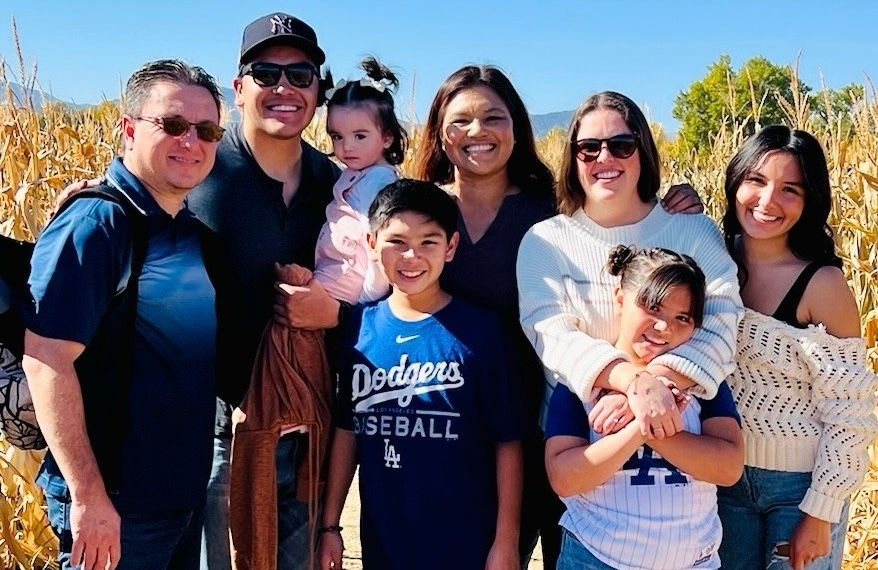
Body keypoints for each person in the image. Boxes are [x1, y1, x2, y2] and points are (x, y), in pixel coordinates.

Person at [412, 68, 703, 569]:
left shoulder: (551, 213)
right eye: (460, 120)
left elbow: (625, 222)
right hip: (451, 428)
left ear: (517, 128)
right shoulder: (423, 212)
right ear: (439, 131)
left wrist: (676, 208)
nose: (477, 131)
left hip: (553, 423)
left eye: (493, 117)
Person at [23, 59, 226, 570]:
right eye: (173, 125)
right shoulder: (99, 222)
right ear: (129, 128)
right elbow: (46, 360)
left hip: (178, 499)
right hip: (115, 505)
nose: (191, 142)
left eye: (206, 130)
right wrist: (88, 497)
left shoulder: (186, 230)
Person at [184, 13, 341, 570]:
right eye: (266, 72)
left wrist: (334, 311)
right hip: (217, 426)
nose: (284, 88)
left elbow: (389, 280)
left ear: (318, 92)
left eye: (300, 75)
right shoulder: (197, 166)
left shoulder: (336, 182)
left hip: (303, 420)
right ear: (239, 86)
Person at [318, 179, 524, 570]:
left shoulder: (483, 331)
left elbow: (508, 443)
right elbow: (347, 431)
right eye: (397, 241)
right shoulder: (361, 327)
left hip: (467, 543)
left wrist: (506, 541)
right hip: (384, 540)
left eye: (428, 241)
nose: (412, 256)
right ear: (372, 243)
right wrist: (330, 526)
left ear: (451, 247)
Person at [517, 90, 743, 447]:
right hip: (577, 448)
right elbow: (554, 338)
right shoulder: (545, 241)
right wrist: (635, 384)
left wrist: (649, 385)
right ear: (572, 158)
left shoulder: (693, 230)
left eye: (621, 145)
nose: (604, 156)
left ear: (644, 152)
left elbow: (721, 325)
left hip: (683, 453)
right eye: (588, 147)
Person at [716, 125, 878, 570]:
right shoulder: (711, 261)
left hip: (800, 489)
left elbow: (850, 413)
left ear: (810, 202)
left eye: (790, 189)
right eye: (756, 181)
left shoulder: (821, 284)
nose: (768, 202)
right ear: (735, 183)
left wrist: (821, 511)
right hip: (721, 478)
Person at [545, 245, 744, 570]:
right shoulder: (584, 379)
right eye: (653, 308)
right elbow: (565, 479)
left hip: (693, 561)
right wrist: (641, 425)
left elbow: (728, 469)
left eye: (683, 318)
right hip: (596, 558)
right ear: (620, 299)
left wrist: (649, 421)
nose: (665, 328)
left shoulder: (702, 381)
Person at [308, 55, 406, 303]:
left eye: (359, 136)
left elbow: (379, 246)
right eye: (337, 136)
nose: (346, 147)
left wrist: (368, 295)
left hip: (347, 293)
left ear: (387, 137)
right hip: (337, 283)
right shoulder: (359, 175)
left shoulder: (377, 184)